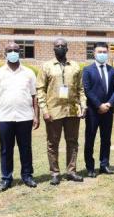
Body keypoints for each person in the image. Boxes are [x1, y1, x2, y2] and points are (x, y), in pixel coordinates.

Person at [0, 42, 39, 192]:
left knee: (26, 148)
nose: (13, 52)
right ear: (5, 53)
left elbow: (34, 96)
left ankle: (27, 176)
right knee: (6, 149)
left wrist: (36, 116)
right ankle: (6, 178)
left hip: (25, 117)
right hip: (4, 117)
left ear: (20, 52)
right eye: (9, 50)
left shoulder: (29, 73)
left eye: (15, 50)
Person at [36, 39, 86, 186]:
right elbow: (40, 90)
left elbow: (80, 89)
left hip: (72, 110)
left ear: (67, 48)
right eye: (57, 46)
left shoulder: (75, 66)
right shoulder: (46, 67)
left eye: (62, 46)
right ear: (53, 49)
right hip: (53, 111)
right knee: (53, 143)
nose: (60, 48)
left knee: (72, 142)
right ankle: (55, 173)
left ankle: (71, 171)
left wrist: (83, 106)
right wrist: (44, 110)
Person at [82, 42, 114, 178]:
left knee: (106, 139)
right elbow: (88, 90)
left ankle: (104, 165)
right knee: (90, 139)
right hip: (93, 111)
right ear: (94, 53)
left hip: (108, 111)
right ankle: (90, 167)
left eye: (105, 52)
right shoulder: (88, 70)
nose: (103, 54)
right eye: (100, 52)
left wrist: (109, 104)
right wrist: (99, 105)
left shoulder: (112, 70)